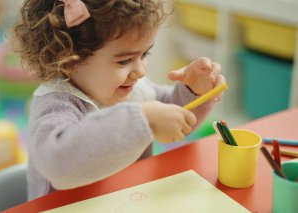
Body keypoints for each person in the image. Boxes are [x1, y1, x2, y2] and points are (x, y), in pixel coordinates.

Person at [12, 0, 226, 200]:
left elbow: (174, 116)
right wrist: (144, 118)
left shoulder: (133, 90)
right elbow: (59, 163)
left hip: (127, 199)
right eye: (125, 61)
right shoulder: (55, 105)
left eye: (144, 55)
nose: (141, 71)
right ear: (68, 60)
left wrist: (194, 91)